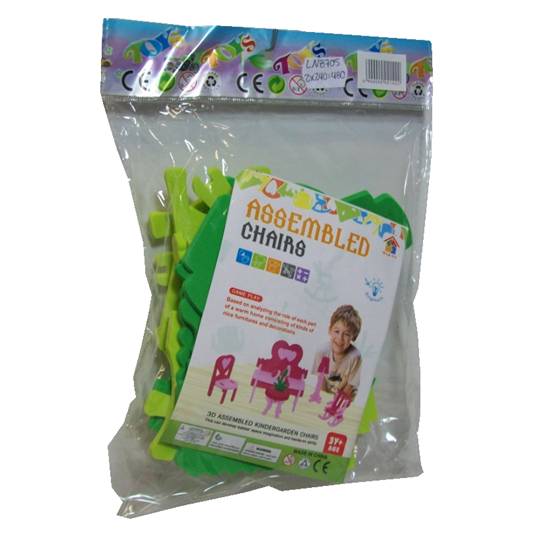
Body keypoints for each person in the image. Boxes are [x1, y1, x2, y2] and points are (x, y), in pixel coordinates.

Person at [311, 305, 362, 400]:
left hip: (346, 393)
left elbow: (349, 386)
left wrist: (335, 402)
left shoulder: (355, 356)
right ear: (330, 330)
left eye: (347, 334)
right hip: (327, 389)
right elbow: (321, 381)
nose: (340, 338)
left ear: (354, 336)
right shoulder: (322, 351)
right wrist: (324, 399)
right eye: (337, 331)